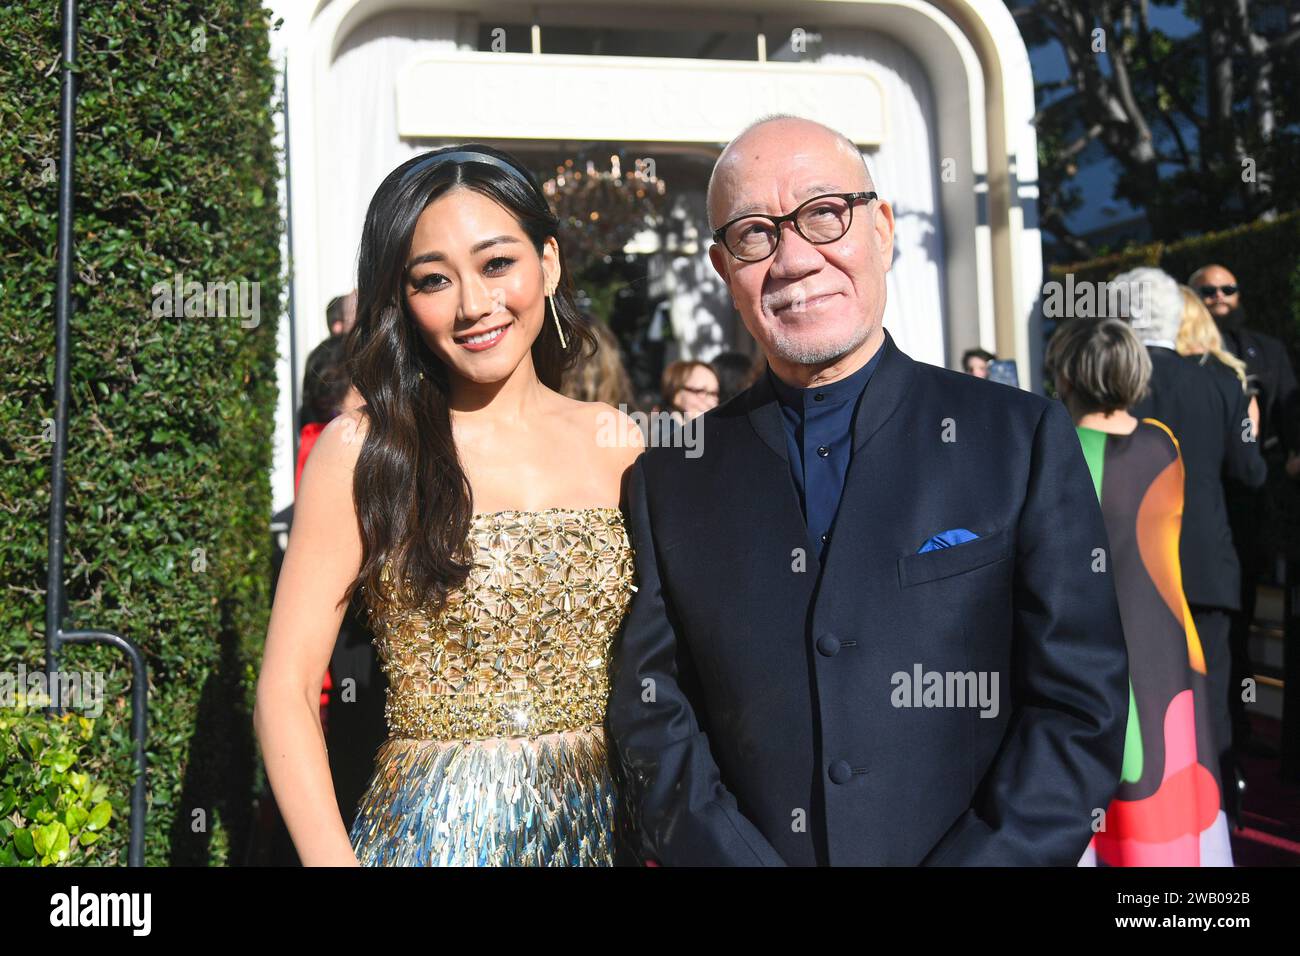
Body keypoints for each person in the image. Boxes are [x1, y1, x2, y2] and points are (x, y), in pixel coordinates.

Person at [606, 114, 1129, 866]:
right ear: (724, 271)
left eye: (824, 215)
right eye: (755, 233)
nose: (793, 259)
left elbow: (1080, 707)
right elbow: (652, 712)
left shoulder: (1018, 438)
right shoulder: (670, 473)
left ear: (881, 229)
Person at [254, 144, 644, 866]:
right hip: (429, 841)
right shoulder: (362, 450)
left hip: (601, 837)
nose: (473, 304)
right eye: (434, 279)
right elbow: (284, 689)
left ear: (548, 263)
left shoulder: (617, 443)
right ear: (401, 297)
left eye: (498, 264)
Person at [1047, 317, 1232, 866]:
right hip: (1172, 647)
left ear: (1066, 374)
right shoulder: (1163, 445)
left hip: (1087, 650)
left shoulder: (1055, 449)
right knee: (1170, 790)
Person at [1116, 266, 1267, 822]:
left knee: (1141, 698)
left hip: (1132, 565)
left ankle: (1147, 818)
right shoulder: (1223, 380)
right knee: (1213, 698)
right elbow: (1250, 474)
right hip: (1206, 564)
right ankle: (1218, 816)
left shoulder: (1113, 379)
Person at [1190, 263, 1300, 759]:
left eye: (1227, 288)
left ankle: (1240, 721)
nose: (1218, 297)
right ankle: (1225, 724)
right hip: (1202, 510)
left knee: (1246, 614)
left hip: (1258, 505)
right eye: (1206, 290)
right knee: (1216, 624)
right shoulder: (1184, 359)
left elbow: (1290, 422)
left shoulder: (1268, 351)